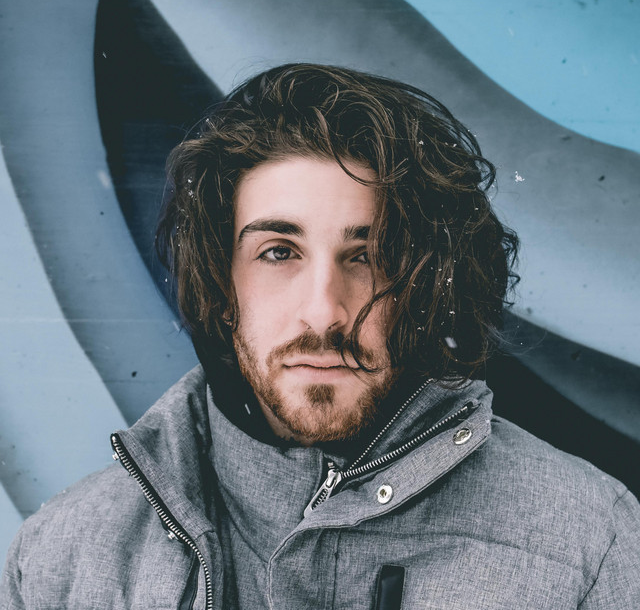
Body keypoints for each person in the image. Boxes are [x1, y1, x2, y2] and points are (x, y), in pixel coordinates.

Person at [2, 64, 639, 609]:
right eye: (279, 253)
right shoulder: (64, 558)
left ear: (426, 287)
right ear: (224, 287)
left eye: (369, 256)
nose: (324, 313)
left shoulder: (585, 542)